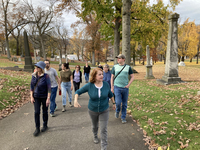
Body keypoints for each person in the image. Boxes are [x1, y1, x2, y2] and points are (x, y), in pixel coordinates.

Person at [74, 68, 116, 150]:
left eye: (102, 74)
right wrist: (75, 100)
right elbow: (77, 92)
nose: (102, 76)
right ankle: (95, 135)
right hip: (92, 110)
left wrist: (114, 103)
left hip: (104, 110)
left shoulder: (106, 84)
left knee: (104, 129)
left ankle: (104, 147)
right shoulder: (89, 85)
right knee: (95, 126)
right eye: (99, 74)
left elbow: (110, 94)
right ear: (94, 76)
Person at [110, 54, 134, 124]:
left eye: (119, 58)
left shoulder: (128, 67)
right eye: (117, 58)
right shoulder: (115, 67)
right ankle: (117, 111)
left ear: (123, 59)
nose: (118, 59)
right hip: (117, 87)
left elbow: (132, 77)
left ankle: (123, 117)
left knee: (124, 104)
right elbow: (112, 77)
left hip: (125, 88)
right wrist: (112, 86)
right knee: (117, 103)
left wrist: (128, 85)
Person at [30, 61, 51, 136]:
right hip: (36, 97)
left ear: (41, 68)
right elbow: (31, 87)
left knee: (45, 112)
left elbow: (49, 88)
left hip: (44, 97)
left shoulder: (46, 76)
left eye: (38, 67)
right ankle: (37, 128)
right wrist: (31, 97)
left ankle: (45, 125)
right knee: (36, 112)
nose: (36, 68)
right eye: (36, 66)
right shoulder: (33, 76)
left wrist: (48, 99)